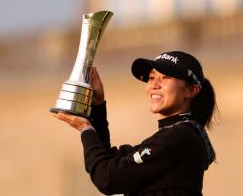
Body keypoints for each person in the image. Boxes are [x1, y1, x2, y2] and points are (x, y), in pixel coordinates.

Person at [53, 51, 216, 196]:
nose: (154, 85)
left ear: (191, 90)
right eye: (152, 77)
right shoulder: (177, 134)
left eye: (166, 77)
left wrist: (85, 128)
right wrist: (97, 104)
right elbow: (109, 159)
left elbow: (108, 178)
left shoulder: (179, 137)